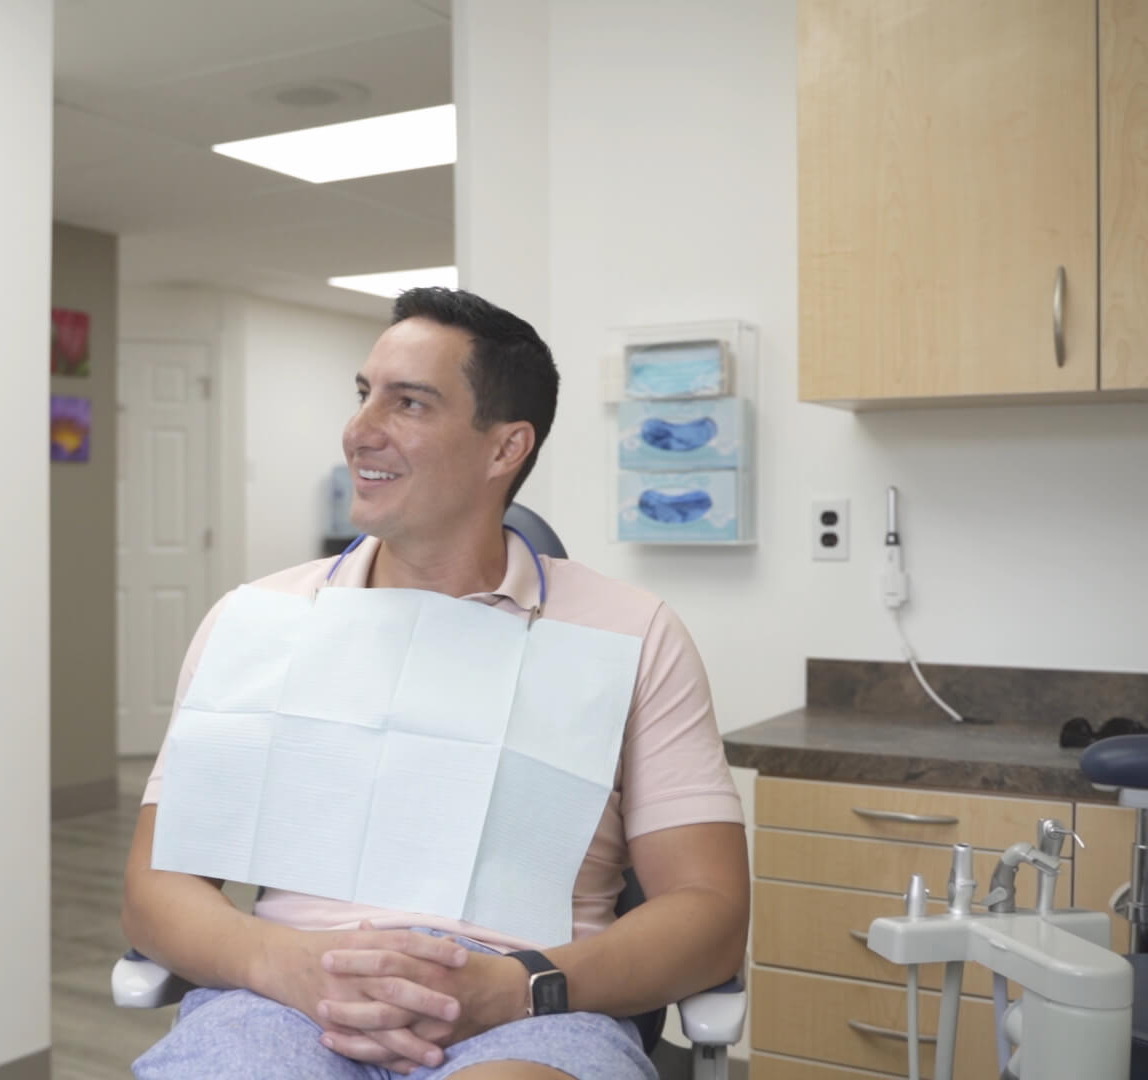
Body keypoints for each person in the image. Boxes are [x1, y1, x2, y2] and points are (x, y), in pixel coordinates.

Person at [123, 287, 750, 1079]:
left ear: (504, 448)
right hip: (283, 996)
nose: (359, 431)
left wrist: (515, 986)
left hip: (535, 1011)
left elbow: (710, 912)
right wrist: (285, 966)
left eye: (409, 403)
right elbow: (155, 889)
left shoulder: (631, 634)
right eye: (363, 396)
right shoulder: (257, 622)